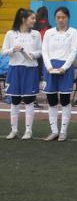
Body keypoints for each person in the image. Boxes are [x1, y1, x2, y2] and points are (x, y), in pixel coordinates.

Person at [3, 9, 42, 140]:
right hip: (15, 69)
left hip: (30, 69)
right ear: (24, 19)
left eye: (35, 18)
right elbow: (4, 51)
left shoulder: (36, 34)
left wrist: (33, 54)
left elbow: (40, 51)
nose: (34, 21)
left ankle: (28, 131)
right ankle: (14, 130)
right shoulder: (11, 34)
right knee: (15, 100)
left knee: (29, 100)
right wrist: (13, 49)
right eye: (32, 18)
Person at [41, 6, 77, 141]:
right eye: (58, 17)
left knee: (65, 100)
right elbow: (44, 51)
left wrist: (64, 67)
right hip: (50, 68)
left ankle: (63, 131)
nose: (60, 20)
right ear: (54, 18)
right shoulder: (49, 32)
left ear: (68, 18)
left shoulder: (73, 32)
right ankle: (54, 131)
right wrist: (49, 67)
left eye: (63, 17)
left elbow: (73, 52)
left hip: (65, 69)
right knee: (51, 100)